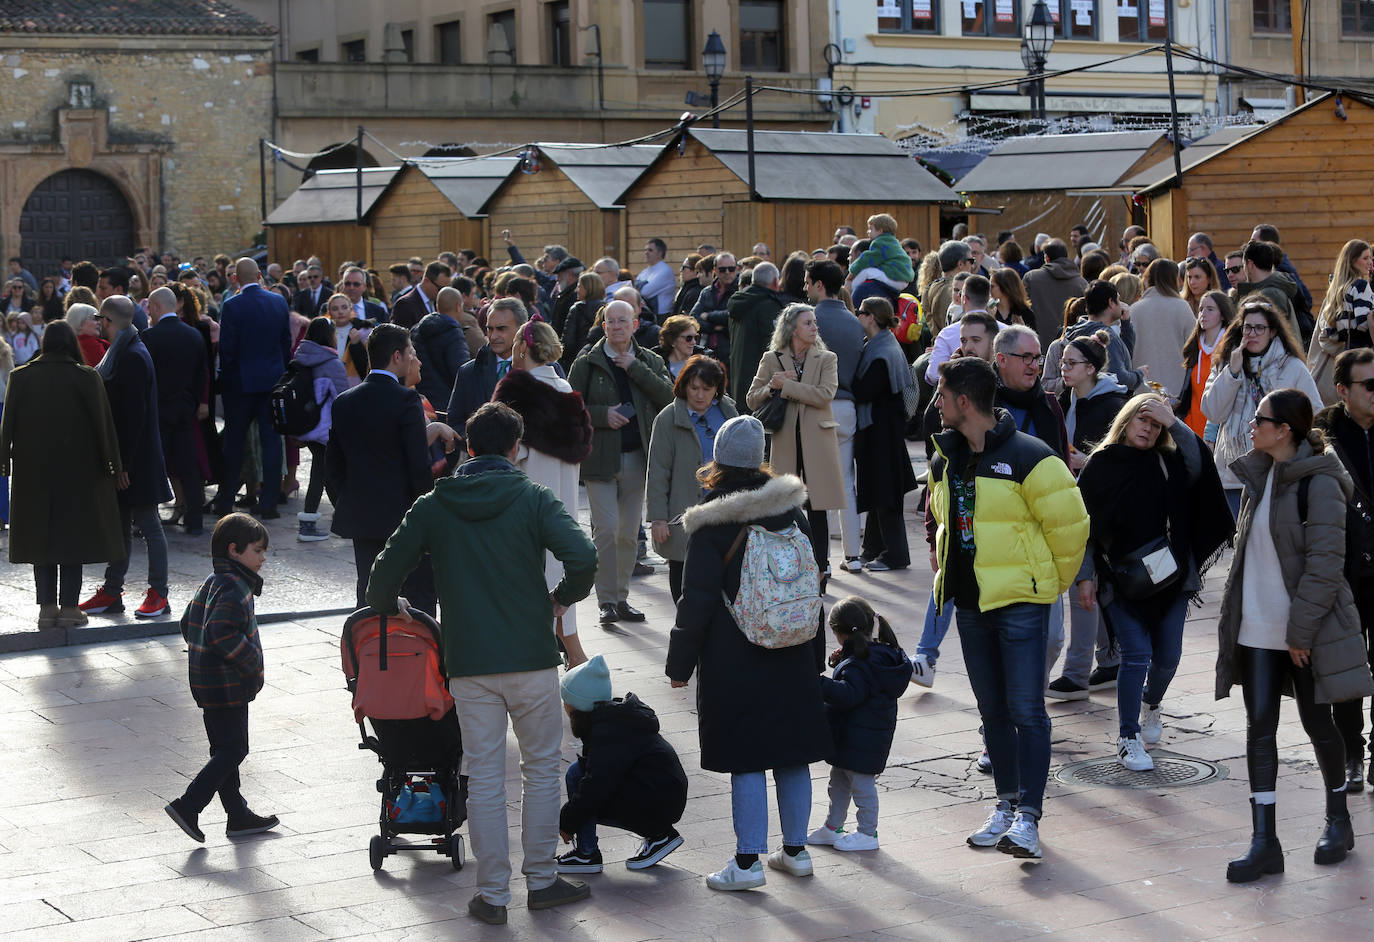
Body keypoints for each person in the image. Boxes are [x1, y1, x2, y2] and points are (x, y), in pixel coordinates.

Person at [366, 401, 599, 925]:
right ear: (516, 449)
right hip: (533, 656)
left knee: (484, 775)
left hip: (468, 662)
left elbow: (383, 575)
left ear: (468, 446)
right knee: (541, 770)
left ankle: (492, 894)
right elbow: (583, 557)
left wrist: (389, 607)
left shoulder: (435, 503)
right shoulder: (533, 497)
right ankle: (541, 880)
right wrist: (560, 599)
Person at [929, 357, 1088, 860]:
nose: (935, 403)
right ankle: (1005, 804)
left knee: (1026, 710)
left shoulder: (1032, 457)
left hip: (1021, 603)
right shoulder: (944, 459)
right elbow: (943, 523)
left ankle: (1029, 818)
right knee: (992, 711)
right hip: (972, 604)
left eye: (942, 394)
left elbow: (1071, 528)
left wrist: (1046, 586)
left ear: (965, 402)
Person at [665, 416, 831, 891]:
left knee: (747, 756)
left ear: (717, 460)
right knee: (793, 753)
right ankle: (796, 852)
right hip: (796, 648)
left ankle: (747, 862)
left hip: (734, 654)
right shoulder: (793, 511)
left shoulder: (712, 521)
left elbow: (695, 602)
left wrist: (679, 666)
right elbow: (812, 584)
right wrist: (815, 652)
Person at [1217, 389, 1374, 883]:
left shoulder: (1322, 482)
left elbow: (1326, 568)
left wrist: (1300, 632)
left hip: (1304, 631)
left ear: (1284, 429)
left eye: (1259, 419)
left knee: (1317, 725)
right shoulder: (1258, 476)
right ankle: (1265, 841)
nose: (1251, 426)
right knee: (1259, 729)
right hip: (1257, 629)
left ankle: (1338, 820)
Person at [1077, 394, 1233, 770]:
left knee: (1168, 657)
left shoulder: (1168, 461)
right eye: (1142, 420)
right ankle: (1127, 737)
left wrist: (1175, 421)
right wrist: (1085, 577)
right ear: (1126, 421)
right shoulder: (1101, 464)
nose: (1148, 428)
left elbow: (1201, 464)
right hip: (1120, 578)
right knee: (1136, 654)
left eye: (1156, 424)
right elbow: (1082, 527)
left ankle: (1151, 702)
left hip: (1171, 576)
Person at [163, 513, 279, 844]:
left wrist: (202, 657)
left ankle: (238, 815)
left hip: (207, 682)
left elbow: (189, 622)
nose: (263, 557)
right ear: (234, 550)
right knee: (234, 750)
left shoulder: (213, 581)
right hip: (228, 686)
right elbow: (220, 632)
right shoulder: (235, 587)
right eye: (257, 550)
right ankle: (189, 805)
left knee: (224, 748)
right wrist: (251, 663)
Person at [0, 321, 123, 629]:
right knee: (72, 539)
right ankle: (69, 607)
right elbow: (103, 427)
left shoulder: (21, 376)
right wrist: (112, 467)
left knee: (41, 540)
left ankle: (46, 608)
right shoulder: (86, 377)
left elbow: (7, 428)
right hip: (78, 472)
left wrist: (5, 466)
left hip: (32, 473)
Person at [492, 317, 594, 666]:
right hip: (563, 507)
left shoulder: (516, 392)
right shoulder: (567, 392)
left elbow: (505, 452)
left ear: (522, 347)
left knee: (528, 595)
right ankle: (581, 672)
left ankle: (544, 671)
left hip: (524, 508)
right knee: (561, 598)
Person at [569, 299, 674, 623]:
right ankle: (606, 601)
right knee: (606, 530)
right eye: (611, 321)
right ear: (604, 327)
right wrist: (602, 416)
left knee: (628, 533)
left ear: (635, 325)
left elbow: (670, 398)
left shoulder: (648, 359)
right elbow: (568, 408)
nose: (616, 326)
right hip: (600, 460)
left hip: (637, 458)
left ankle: (622, 599)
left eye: (622, 321)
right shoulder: (587, 361)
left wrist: (635, 369)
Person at [326, 324, 443, 614]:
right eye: (410, 353)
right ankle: (413, 659)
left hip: (361, 517)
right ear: (396, 356)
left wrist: (347, 500)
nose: (413, 358)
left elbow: (332, 466)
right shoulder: (405, 400)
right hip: (403, 518)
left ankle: (366, 656)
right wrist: (427, 514)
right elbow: (418, 465)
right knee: (417, 596)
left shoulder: (345, 401)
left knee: (369, 594)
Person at [77, 296, 174, 619]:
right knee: (119, 527)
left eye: (101, 319)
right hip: (128, 459)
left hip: (137, 461)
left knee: (148, 524)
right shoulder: (126, 350)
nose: (99, 325)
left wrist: (124, 465)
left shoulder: (132, 355)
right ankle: (112, 590)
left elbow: (134, 417)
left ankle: (159, 592)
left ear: (110, 321)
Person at [1045, 331, 1129, 701]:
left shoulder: (1111, 404)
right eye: (1062, 362)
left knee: (1086, 582)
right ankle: (1108, 660)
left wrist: (1088, 461)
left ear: (1092, 369)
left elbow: (1124, 458)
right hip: (1073, 500)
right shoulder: (1068, 399)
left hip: (1099, 507)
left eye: (1071, 363)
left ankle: (1080, 671)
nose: (1063, 368)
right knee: (1088, 582)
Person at [555, 655, 689, 874]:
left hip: (658, 803)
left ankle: (587, 854)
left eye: (565, 701)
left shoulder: (608, 732)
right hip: (661, 797)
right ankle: (659, 834)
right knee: (581, 774)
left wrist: (567, 821)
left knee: (579, 778)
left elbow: (596, 785)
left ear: (577, 706)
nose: (563, 705)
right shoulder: (613, 719)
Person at [746, 303, 846, 580]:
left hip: (818, 441)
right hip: (785, 440)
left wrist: (786, 387)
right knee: (786, 507)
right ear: (792, 328)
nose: (815, 327)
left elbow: (824, 395)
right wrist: (771, 386)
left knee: (818, 507)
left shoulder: (827, 358)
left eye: (815, 323)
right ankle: (789, 566)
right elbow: (751, 398)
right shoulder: (771, 358)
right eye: (808, 323)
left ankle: (822, 566)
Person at [1313, 348, 1374, 791]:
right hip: (1344, 572)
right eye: (1368, 385)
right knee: (1345, 669)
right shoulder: (1322, 435)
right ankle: (1353, 753)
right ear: (1342, 390)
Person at [807, 595, 912, 852]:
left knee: (862, 788)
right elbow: (857, 677)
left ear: (838, 632)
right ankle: (833, 827)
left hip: (860, 738)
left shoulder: (861, 663)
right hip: (858, 736)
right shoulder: (877, 653)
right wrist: (840, 661)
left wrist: (818, 683)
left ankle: (868, 833)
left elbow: (848, 694)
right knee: (839, 782)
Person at [1202, 296, 1322, 516]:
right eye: (1248, 328)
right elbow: (1213, 412)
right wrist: (1232, 373)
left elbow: (1316, 414)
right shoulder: (1226, 364)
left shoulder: (1292, 367)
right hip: (1233, 475)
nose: (1253, 334)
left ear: (1273, 331)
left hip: (1277, 473)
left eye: (1260, 328)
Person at [648, 355, 738, 602]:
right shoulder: (668, 418)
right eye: (694, 388)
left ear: (717, 389)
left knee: (726, 574)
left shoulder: (728, 410)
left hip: (725, 509)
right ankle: (685, 629)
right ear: (683, 385)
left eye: (707, 389)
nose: (699, 395)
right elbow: (658, 471)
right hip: (684, 510)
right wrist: (658, 518)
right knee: (682, 572)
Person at [214, 259, 292, 519]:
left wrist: (225, 378)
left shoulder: (232, 305)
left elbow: (227, 349)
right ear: (260, 275)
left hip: (240, 384)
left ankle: (225, 501)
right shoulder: (278, 302)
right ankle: (269, 501)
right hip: (271, 380)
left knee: (234, 444)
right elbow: (285, 344)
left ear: (235, 279)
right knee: (271, 443)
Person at [851, 297, 917, 570]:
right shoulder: (882, 344)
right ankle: (874, 548)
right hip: (883, 429)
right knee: (881, 490)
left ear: (871, 317)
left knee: (886, 492)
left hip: (882, 431)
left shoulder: (881, 351)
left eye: (860, 312)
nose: (857, 316)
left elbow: (865, 390)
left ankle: (896, 554)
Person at [140, 287, 208, 537]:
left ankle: (149, 520)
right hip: (184, 409)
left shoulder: (150, 336)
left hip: (159, 409)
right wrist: (195, 402)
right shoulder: (193, 335)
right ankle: (195, 519)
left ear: (157, 307)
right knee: (188, 465)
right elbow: (202, 373)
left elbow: (145, 377)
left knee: (154, 464)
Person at [288, 317, 349, 542]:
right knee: (321, 474)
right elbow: (343, 400)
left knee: (325, 472)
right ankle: (308, 525)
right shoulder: (331, 363)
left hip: (309, 427)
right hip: (326, 430)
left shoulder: (302, 358)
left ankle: (343, 518)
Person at [1307, 239, 1374, 405]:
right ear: (1352, 261)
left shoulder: (1338, 290)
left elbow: (1329, 332)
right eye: (1365, 258)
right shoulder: (1361, 286)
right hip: (1363, 352)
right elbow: (1363, 321)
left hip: (1344, 355)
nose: (1370, 262)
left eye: (1370, 258)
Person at [448, 297, 526, 436]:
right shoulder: (468, 372)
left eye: (501, 329)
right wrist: (481, 445)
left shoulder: (545, 370)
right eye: (490, 329)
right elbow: (455, 422)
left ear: (521, 329)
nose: (494, 336)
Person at [1128, 259, 1197, 400]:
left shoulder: (1134, 310)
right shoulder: (1182, 307)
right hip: (1175, 390)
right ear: (1174, 279)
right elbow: (1194, 348)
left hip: (1141, 389)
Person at [1176, 290, 1234, 440]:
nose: (1203, 314)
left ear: (1222, 314)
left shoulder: (1230, 348)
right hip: (1191, 427)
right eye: (1201, 309)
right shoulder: (1194, 345)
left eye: (1210, 309)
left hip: (1218, 432)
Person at [727, 261, 785, 408]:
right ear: (775, 281)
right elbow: (773, 345)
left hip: (738, 379)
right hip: (760, 383)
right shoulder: (769, 306)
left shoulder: (738, 303)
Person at [411, 285, 472, 407]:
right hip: (447, 402)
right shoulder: (453, 333)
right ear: (458, 307)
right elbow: (461, 372)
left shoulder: (416, 330)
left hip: (422, 400)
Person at [1023, 239, 1087, 353]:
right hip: (1072, 350)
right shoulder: (1081, 283)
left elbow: (1022, 310)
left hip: (1036, 348)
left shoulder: (1031, 278)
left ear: (1046, 258)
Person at [847, 214, 914, 306]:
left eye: (871, 229)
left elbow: (867, 259)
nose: (868, 232)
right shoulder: (893, 242)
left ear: (880, 231)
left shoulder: (880, 243)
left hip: (895, 277)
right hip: (902, 279)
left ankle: (850, 289)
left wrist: (852, 271)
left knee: (867, 271)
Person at [691, 252, 739, 364]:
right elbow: (694, 318)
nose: (727, 272)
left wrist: (708, 316)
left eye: (731, 269)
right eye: (722, 269)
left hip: (731, 353)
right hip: (708, 352)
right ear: (715, 270)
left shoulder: (741, 292)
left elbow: (733, 317)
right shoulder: (707, 292)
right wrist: (715, 327)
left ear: (736, 269)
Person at [657, 314, 708, 379]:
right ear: (672, 340)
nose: (694, 342)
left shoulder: (704, 363)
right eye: (688, 338)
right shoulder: (657, 364)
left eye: (696, 337)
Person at [65, 302, 110, 367]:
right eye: (95, 319)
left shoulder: (69, 343)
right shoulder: (90, 344)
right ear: (80, 323)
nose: (99, 323)